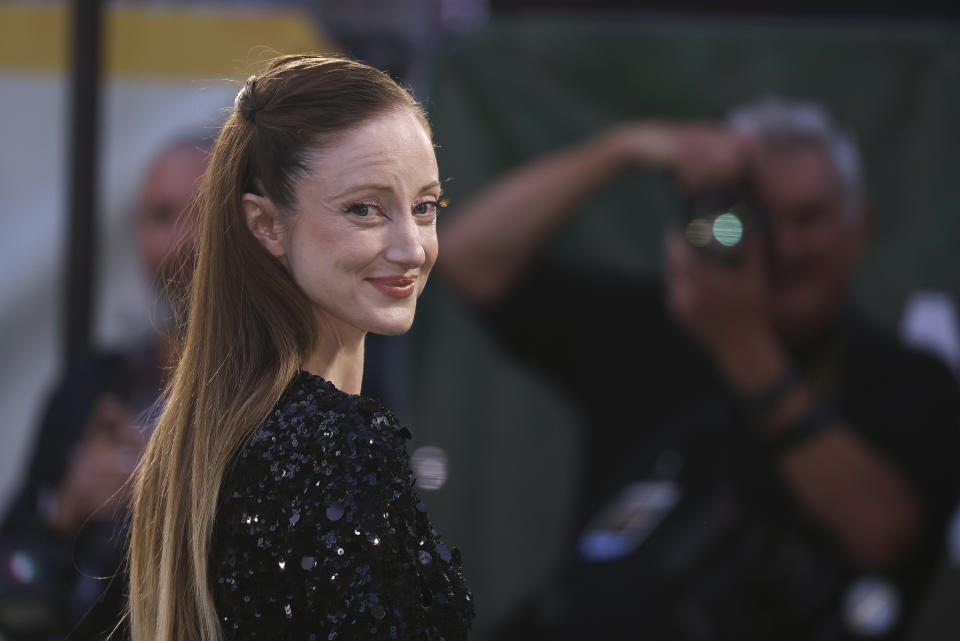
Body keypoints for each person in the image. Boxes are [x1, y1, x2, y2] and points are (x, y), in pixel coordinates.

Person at [439, 98, 960, 640]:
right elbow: (469, 258)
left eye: (810, 217)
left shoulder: (909, 382)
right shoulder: (655, 331)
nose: (785, 246)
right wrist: (624, 150)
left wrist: (742, 343)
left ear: (861, 227)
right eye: (755, 219)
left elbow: (882, 532)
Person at [127, 55, 474, 641]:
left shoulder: (225, 433)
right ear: (266, 225)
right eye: (364, 209)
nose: (411, 247)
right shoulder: (332, 446)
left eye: (424, 206)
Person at [0, 136, 208, 641]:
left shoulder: (291, 390)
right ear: (136, 237)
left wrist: (155, 499)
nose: (181, 241)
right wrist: (66, 510)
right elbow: (12, 591)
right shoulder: (90, 392)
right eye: (161, 216)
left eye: (200, 213)